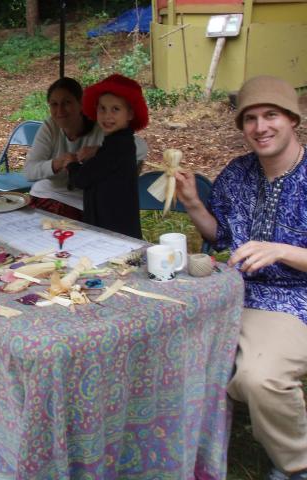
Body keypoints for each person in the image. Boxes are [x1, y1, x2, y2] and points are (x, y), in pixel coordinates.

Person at [175, 75, 307, 480]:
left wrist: (283, 251)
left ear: (293, 120)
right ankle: (178, 441)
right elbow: (224, 238)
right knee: (164, 338)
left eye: (271, 115)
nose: (260, 127)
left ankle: (296, 464)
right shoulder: (237, 173)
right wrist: (195, 205)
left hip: (294, 300)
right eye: (250, 118)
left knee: (259, 377)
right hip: (234, 290)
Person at [23, 76, 148, 222]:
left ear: (80, 104)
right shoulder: (51, 126)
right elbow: (29, 171)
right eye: (54, 104)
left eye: (67, 103)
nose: (60, 110)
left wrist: (98, 151)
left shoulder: (103, 126)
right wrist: (56, 164)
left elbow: (140, 147)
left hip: (84, 201)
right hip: (50, 192)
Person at [66, 74, 148, 239]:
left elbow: (82, 179)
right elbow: (106, 163)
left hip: (114, 231)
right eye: (102, 108)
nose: (107, 116)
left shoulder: (117, 146)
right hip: (113, 227)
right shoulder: (118, 143)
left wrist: (71, 163)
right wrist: (96, 151)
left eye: (115, 109)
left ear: (130, 114)